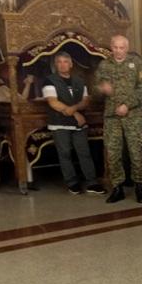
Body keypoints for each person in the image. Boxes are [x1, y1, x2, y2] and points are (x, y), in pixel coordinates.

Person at [41, 52, 105, 195]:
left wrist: (74, 108)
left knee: (84, 152)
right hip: (59, 123)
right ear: (55, 65)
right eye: (59, 62)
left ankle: (92, 182)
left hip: (79, 124)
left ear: (71, 64)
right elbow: (53, 102)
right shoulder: (49, 81)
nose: (62, 65)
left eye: (65, 62)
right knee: (65, 154)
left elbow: (85, 101)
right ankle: (72, 183)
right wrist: (75, 113)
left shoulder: (79, 81)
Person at [96, 34, 142, 204]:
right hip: (112, 117)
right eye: (115, 47)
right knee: (113, 154)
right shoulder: (104, 65)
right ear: (111, 47)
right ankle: (117, 188)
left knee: (136, 152)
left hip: (133, 116)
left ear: (127, 48)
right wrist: (101, 89)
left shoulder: (136, 63)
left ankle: (140, 187)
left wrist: (127, 105)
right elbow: (95, 90)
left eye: (122, 47)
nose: (118, 51)